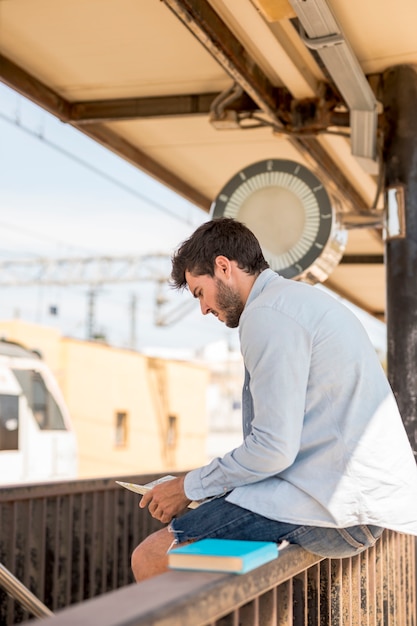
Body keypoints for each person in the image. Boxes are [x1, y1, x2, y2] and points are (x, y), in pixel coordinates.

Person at [131, 217, 417, 582]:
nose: (203, 310)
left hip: (335, 508)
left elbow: (273, 450)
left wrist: (186, 487)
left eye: (200, 292)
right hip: (349, 502)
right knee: (203, 546)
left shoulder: (266, 315)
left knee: (152, 557)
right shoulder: (293, 302)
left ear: (223, 267)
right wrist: (200, 488)